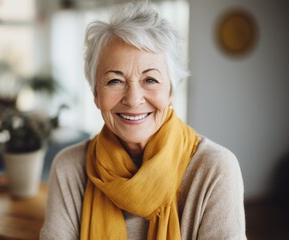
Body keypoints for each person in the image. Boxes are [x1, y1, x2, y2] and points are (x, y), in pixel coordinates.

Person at [40, 1, 246, 239]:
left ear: (171, 92)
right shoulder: (70, 168)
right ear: (96, 95)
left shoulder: (215, 168)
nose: (133, 98)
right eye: (114, 81)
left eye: (150, 80)